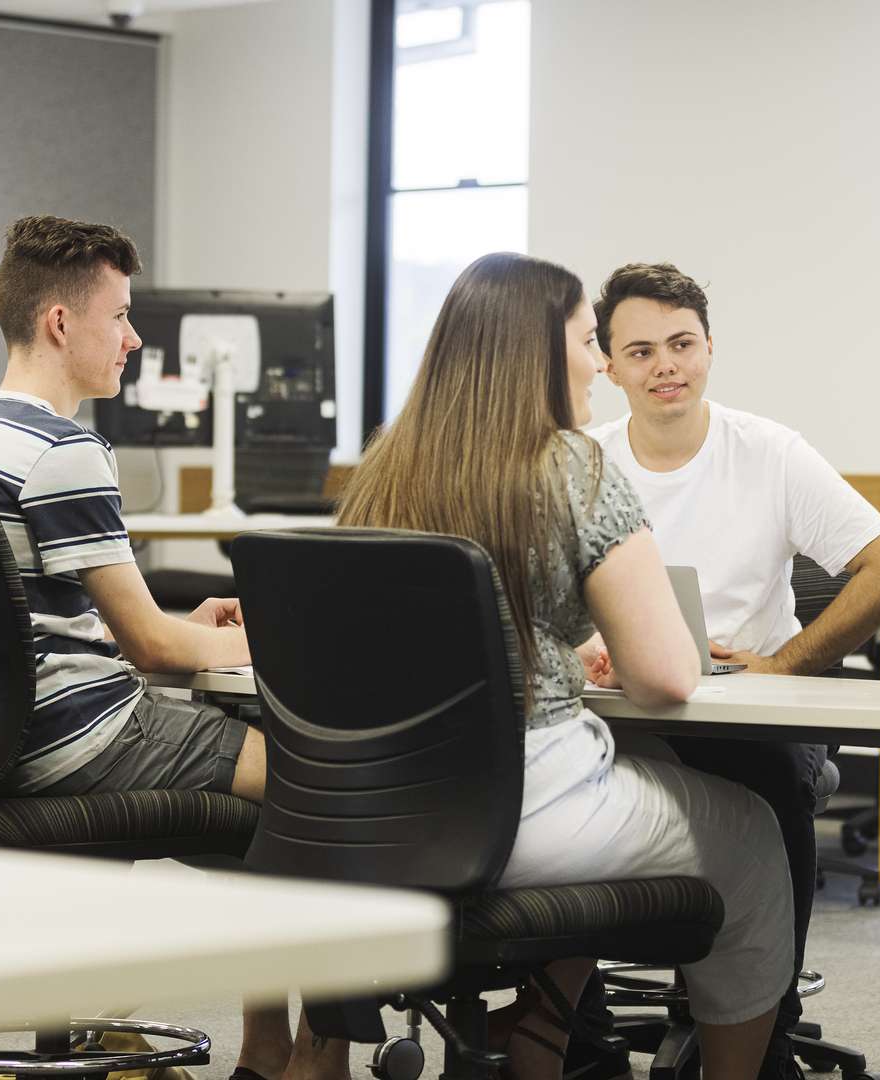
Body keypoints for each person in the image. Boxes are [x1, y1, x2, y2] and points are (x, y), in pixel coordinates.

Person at [334, 251, 797, 1080]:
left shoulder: (384, 465)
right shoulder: (573, 469)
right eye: (589, 341)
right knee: (754, 836)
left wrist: (550, 647)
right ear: (536, 353)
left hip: (387, 809)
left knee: (643, 770)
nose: (598, 362)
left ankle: (542, 1039)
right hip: (525, 810)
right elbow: (664, 677)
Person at [0, 215, 298, 1079]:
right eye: (121, 316)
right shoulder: (66, 449)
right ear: (62, 323)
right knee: (317, 786)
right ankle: (295, 1050)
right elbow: (154, 646)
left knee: (257, 799)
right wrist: (272, 642)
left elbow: (53, 618)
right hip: (83, 738)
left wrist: (191, 632)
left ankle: (241, 1038)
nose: (134, 339)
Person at [579, 262, 880, 1078]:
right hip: (616, 711)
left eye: (683, 344)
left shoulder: (767, 453)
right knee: (545, 781)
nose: (667, 365)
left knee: (761, 782)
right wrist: (580, 651)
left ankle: (765, 1020)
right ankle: (573, 1033)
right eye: (642, 349)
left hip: (749, 719)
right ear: (610, 364)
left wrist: (781, 663)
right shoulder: (580, 462)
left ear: (709, 348)